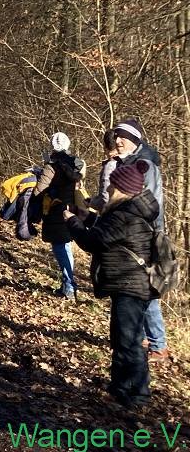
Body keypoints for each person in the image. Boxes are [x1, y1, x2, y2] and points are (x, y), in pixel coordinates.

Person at [64, 161, 157, 408]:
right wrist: (86, 216)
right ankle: (120, 388)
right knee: (122, 338)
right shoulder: (129, 211)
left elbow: (92, 241)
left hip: (130, 285)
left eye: (112, 186)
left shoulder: (125, 215)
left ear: (122, 189)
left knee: (129, 341)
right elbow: (105, 230)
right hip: (129, 284)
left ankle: (136, 396)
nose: (108, 190)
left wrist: (72, 221)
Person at [114, 118, 169, 363]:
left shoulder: (145, 165)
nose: (117, 140)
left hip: (143, 237)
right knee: (139, 290)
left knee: (147, 290)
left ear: (134, 140)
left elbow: (152, 205)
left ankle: (159, 346)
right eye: (117, 136)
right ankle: (147, 339)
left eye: (123, 137)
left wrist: (154, 237)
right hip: (131, 235)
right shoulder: (129, 161)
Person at [33, 132, 85, 301]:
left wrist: (38, 175)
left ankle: (69, 286)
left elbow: (39, 191)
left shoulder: (52, 166)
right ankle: (68, 285)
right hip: (70, 210)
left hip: (55, 211)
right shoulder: (76, 163)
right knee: (66, 247)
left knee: (60, 248)